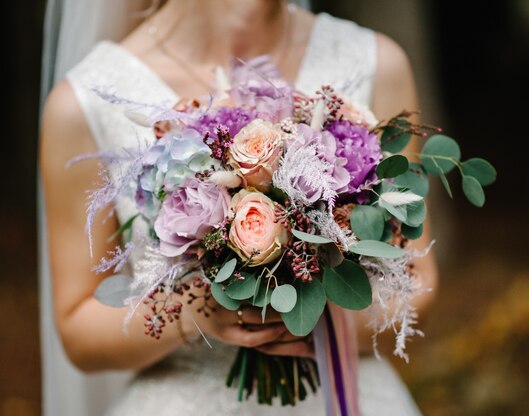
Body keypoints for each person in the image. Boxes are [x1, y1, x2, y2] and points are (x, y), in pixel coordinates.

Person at [39, 0, 438, 414]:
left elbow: (416, 279)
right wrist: (198, 314)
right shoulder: (82, 103)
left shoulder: (375, 62)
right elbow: (78, 332)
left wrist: (318, 322)